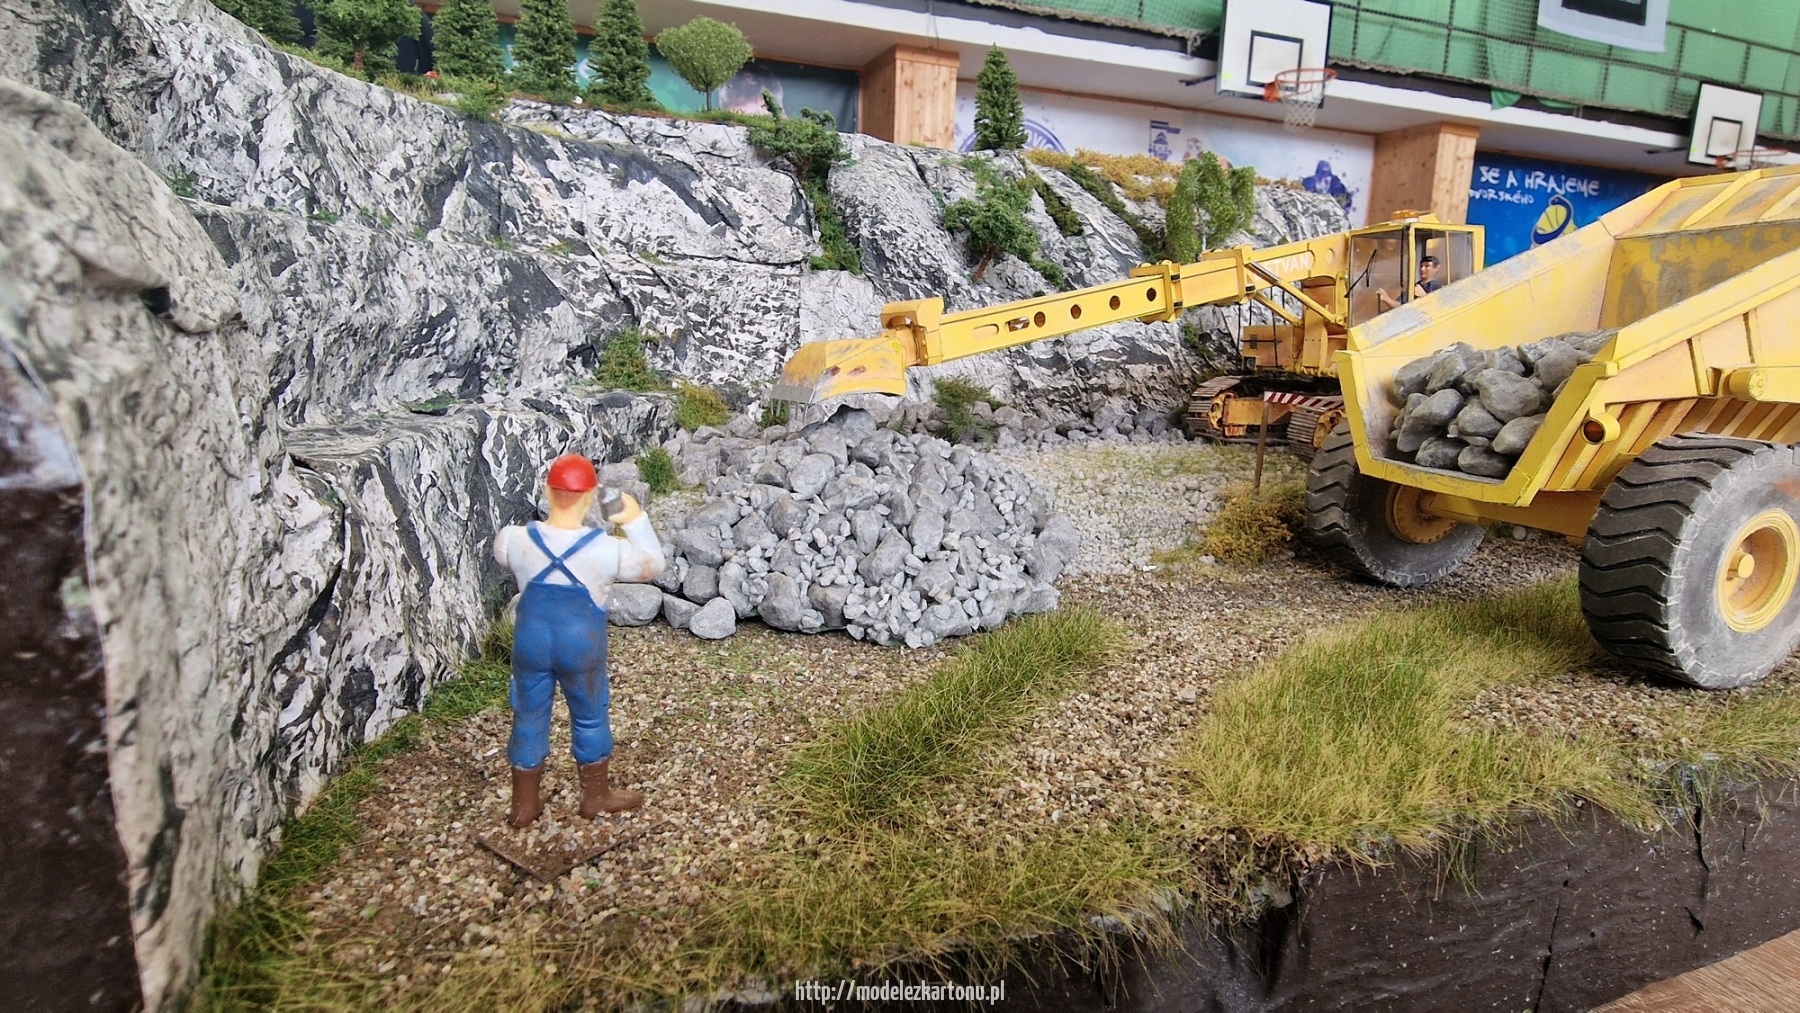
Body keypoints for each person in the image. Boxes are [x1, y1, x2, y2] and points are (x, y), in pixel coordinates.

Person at [493, 453, 664, 827]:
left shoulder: (513, 540)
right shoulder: (605, 549)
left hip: (530, 644)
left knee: (528, 713)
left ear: (546, 492)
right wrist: (632, 517)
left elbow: (503, 553)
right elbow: (654, 564)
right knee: (589, 714)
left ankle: (523, 805)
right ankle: (595, 796)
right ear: (588, 499)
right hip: (581, 647)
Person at [1376, 255, 1443, 310]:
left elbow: (1439, 309)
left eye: (1427, 266)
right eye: (1421, 266)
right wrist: (1386, 299)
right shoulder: (1414, 286)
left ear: (1436, 268)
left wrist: (1423, 296)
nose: (1422, 269)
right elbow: (1400, 306)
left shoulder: (1439, 287)